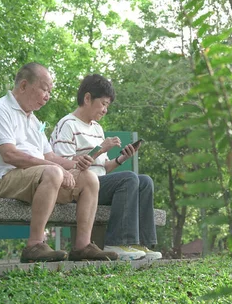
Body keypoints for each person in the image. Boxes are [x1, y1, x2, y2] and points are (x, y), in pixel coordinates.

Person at [0, 63, 117, 263]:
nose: (47, 96)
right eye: (44, 89)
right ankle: (34, 245)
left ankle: (82, 247)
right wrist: (57, 169)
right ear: (24, 85)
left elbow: (50, 157)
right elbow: (10, 155)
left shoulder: (33, 120)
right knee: (53, 173)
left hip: (37, 178)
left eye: (49, 91)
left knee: (89, 179)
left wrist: (76, 164)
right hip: (2, 179)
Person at [50, 74, 162, 261]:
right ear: (87, 98)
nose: (105, 110)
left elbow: (103, 168)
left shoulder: (97, 128)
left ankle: (141, 243)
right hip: (78, 188)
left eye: (107, 106)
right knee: (128, 179)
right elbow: (64, 166)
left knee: (144, 181)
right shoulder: (67, 125)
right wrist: (101, 148)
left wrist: (120, 159)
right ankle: (118, 242)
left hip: (98, 184)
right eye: (103, 104)